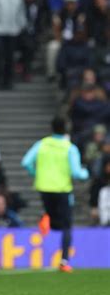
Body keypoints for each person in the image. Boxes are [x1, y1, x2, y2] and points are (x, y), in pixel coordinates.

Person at [21, 117, 89, 273]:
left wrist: (37, 174)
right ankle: (64, 261)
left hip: (44, 188)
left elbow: (25, 162)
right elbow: (77, 173)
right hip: (62, 190)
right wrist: (86, 173)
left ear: (51, 128)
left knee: (54, 220)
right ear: (66, 129)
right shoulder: (69, 147)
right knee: (66, 226)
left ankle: (46, 218)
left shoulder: (41, 144)